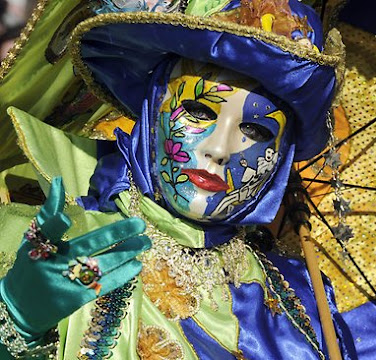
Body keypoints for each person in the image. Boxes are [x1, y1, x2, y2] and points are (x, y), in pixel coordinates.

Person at [0, 0, 354, 359]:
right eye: (199, 111)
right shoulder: (52, 248)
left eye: (255, 129)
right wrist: (17, 328)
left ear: (281, 156)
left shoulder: (303, 304)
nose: (219, 149)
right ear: (154, 112)